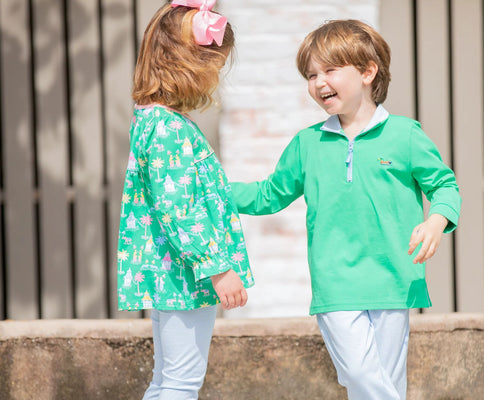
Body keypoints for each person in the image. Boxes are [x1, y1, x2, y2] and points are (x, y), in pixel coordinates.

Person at [231, 19, 461, 400]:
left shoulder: (405, 135)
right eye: (310, 74)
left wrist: (437, 220)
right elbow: (268, 194)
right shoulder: (308, 143)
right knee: (360, 374)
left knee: (383, 382)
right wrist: (214, 192)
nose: (319, 82)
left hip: (394, 281)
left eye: (330, 70)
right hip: (335, 283)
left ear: (368, 71)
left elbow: (445, 186)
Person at [116, 1, 254, 399]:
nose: (214, 78)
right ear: (189, 65)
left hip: (170, 272)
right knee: (180, 382)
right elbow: (181, 211)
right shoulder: (170, 129)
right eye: (213, 67)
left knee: (166, 379)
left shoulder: (149, 119)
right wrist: (217, 267)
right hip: (186, 276)